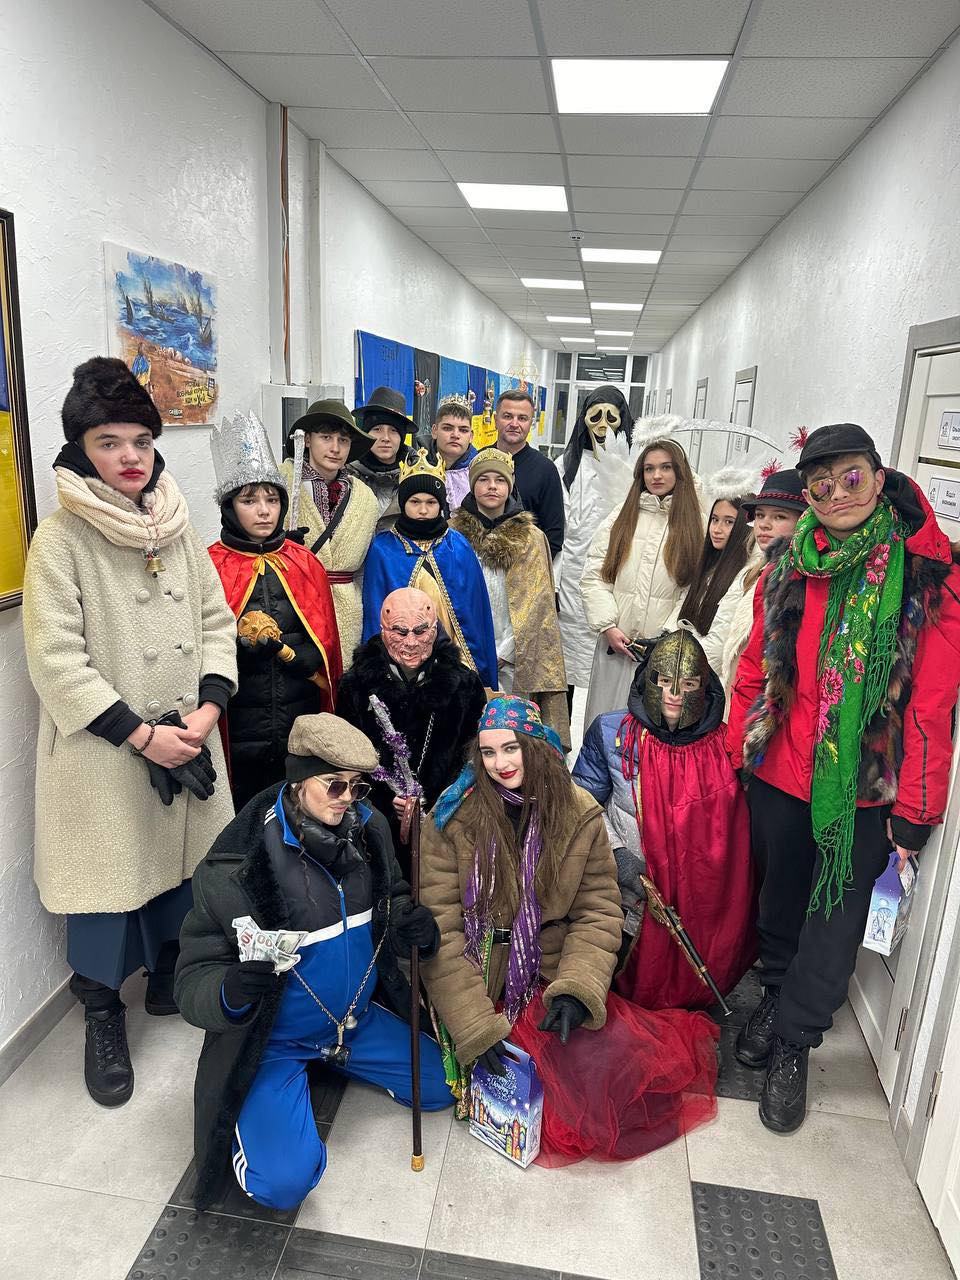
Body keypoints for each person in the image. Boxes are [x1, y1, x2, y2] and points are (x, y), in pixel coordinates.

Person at [728, 423, 960, 1135]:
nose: (836, 495)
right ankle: (774, 995)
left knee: (834, 921)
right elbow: (754, 667)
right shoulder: (788, 564)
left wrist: (916, 810)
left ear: (879, 477)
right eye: (820, 485)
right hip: (781, 774)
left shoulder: (925, 578)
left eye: (851, 477)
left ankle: (796, 1041)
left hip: (863, 789)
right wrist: (743, 748)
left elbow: (930, 705)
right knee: (779, 900)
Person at [22, 357, 238, 1107]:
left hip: (189, 733)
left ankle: (169, 977)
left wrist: (207, 712)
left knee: (182, 870)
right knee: (106, 890)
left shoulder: (176, 526)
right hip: (107, 752)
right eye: (109, 442)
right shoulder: (61, 539)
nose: (130, 457)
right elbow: (56, 660)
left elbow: (216, 623)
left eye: (141, 440)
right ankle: (103, 1016)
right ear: (81, 449)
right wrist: (143, 737)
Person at [420, 696, 719, 1166]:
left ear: (537, 746)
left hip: (546, 971)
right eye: (488, 752)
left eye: (512, 748)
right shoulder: (452, 817)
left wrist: (578, 990)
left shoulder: (578, 812)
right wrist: (475, 1027)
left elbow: (598, 909)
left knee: (606, 1079)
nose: (500, 764)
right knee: (531, 1094)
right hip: (479, 975)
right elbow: (442, 929)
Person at [175, 713, 452, 1211]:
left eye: (358, 787)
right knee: (282, 1185)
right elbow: (192, 977)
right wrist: (230, 991)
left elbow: (393, 897)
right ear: (298, 780)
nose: (348, 799)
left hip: (353, 1022)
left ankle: (330, 1058)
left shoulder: (370, 831)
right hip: (274, 1039)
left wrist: (414, 927)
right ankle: (272, 1103)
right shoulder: (236, 868)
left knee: (442, 1087)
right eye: (335, 784)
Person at [573, 629, 756, 1010]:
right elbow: (580, 805)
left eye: (688, 684)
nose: (674, 694)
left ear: (704, 688)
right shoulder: (611, 733)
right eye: (663, 681)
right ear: (648, 679)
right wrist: (619, 855)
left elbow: (740, 828)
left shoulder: (727, 746)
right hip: (630, 894)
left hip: (703, 904)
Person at [207, 411, 342, 809]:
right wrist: (240, 651)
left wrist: (307, 658)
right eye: (249, 500)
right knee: (244, 812)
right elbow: (202, 645)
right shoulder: (211, 565)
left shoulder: (304, 563)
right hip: (240, 724)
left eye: (271, 499)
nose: (263, 511)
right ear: (229, 507)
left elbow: (326, 640)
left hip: (298, 716)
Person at [337, 587, 486, 863]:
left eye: (420, 631)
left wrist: (441, 800)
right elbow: (346, 759)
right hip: (375, 825)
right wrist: (385, 801)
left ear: (435, 629)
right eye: (400, 631)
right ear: (383, 630)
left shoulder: (465, 686)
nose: (411, 642)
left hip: (446, 820)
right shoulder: (355, 686)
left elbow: (473, 756)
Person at [451, 449, 570, 748]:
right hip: (464, 652)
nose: (492, 486)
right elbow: (446, 594)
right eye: (484, 479)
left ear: (510, 485)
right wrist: (466, 650)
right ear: (472, 485)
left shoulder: (532, 538)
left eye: (500, 480)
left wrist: (505, 651)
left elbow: (539, 604)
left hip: (515, 656)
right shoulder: (453, 536)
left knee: (512, 733)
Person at [580, 438, 703, 728]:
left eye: (665, 467)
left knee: (649, 733)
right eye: (649, 469)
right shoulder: (621, 516)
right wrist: (608, 626)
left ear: (679, 472)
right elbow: (594, 574)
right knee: (606, 726)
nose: (656, 475)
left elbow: (693, 590)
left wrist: (668, 635)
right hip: (614, 646)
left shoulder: (695, 523)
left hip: (662, 654)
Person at [361, 448, 498, 689]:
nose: (423, 510)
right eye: (415, 502)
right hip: (401, 659)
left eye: (431, 502)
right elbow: (375, 614)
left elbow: (475, 616)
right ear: (403, 503)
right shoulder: (383, 549)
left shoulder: (458, 546)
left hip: (453, 660)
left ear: (441, 504)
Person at [280, 399, 378, 665]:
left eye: (343, 440)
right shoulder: (280, 485)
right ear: (307, 440)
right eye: (326, 437)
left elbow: (365, 570)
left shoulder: (365, 498)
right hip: (294, 605)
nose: (335, 448)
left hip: (346, 613)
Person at [556, 386, 634, 711]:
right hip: (572, 580)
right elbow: (559, 526)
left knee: (614, 670)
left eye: (610, 418)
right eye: (595, 416)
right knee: (567, 668)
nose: (602, 426)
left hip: (618, 576)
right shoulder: (566, 466)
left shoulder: (634, 465)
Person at [721, 468, 806, 706]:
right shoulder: (757, 570)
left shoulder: (794, 581)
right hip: (735, 694)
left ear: (802, 521)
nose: (764, 525)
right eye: (759, 515)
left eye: (779, 517)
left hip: (759, 704)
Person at [669, 469, 756, 672]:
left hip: (704, 675)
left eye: (729, 522)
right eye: (715, 519)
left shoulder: (745, 575)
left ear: (744, 525)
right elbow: (683, 610)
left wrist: (678, 664)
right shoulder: (710, 564)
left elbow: (717, 648)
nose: (717, 529)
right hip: (686, 667)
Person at [494, 389, 564, 558]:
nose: (514, 423)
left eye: (522, 418)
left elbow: (553, 536)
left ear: (531, 423)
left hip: (526, 566)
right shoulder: (478, 460)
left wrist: (527, 568)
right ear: (495, 419)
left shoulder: (545, 470)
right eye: (507, 416)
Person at [351, 385, 417, 530]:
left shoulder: (418, 477)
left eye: (393, 430)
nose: (385, 438)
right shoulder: (348, 476)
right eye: (377, 429)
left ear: (402, 437)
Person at [431, 395, 477, 513]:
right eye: (447, 428)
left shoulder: (481, 471)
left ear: (471, 436)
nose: (455, 435)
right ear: (435, 431)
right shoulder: (417, 466)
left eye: (463, 430)